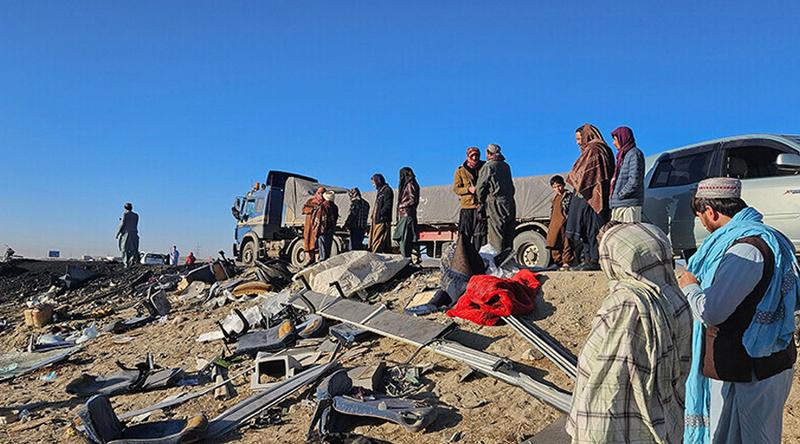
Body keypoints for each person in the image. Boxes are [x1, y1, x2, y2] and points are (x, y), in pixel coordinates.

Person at [678, 178, 799, 444]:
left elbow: (712, 312)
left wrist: (690, 287)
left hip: (749, 370)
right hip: (763, 363)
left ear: (710, 211)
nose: (703, 224)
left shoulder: (746, 249)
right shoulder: (768, 237)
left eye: (701, 217)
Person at [567, 222, 692, 444]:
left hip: (620, 416)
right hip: (668, 413)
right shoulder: (678, 298)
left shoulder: (624, 303)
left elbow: (594, 364)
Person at [565, 124, 615, 271]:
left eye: (580, 138)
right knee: (588, 229)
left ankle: (594, 260)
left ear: (588, 136)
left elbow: (583, 173)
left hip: (593, 197)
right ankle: (589, 259)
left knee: (593, 229)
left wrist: (575, 179)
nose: (578, 142)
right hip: (595, 196)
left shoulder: (594, 149)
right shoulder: (601, 149)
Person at [476, 144, 516, 253]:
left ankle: (497, 262)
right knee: (508, 233)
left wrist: (480, 201)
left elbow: (480, 187)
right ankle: (507, 261)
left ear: (488, 153)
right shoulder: (506, 166)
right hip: (510, 202)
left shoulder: (489, 166)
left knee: (496, 234)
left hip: (496, 202)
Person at [609, 126, 645, 222]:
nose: (614, 143)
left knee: (630, 234)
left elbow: (634, 181)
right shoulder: (622, 156)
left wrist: (620, 195)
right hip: (620, 204)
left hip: (628, 205)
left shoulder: (634, 154)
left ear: (622, 138)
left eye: (615, 140)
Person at [453, 147, 486, 250]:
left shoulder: (484, 167)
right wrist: (468, 189)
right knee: (465, 236)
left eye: (476, 155)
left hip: (480, 207)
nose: (475, 157)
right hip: (467, 207)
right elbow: (456, 189)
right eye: (472, 155)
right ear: (468, 156)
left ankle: (480, 259)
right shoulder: (461, 171)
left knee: (480, 236)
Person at [545, 175, 574, 269]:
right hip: (555, 224)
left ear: (564, 185)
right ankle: (558, 262)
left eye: (559, 186)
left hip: (565, 223)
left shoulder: (568, 196)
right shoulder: (555, 198)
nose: (557, 189)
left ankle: (566, 262)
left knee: (567, 243)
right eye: (554, 187)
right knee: (553, 243)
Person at [394, 167, 420, 258]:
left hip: (406, 215)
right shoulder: (412, 183)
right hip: (407, 215)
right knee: (405, 240)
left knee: (404, 239)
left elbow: (413, 199)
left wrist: (401, 205)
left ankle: (405, 260)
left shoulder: (410, 184)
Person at [369, 174, 393, 253]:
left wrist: (380, 214)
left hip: (382, 220)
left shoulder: (387, 190)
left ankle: (375, 258)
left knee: (378, 240)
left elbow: (388, 205)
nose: (373, 185)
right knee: (379, 241)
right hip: (377, 220)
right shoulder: (380, 191)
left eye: (373, 183)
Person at [302, 186, 326, 263]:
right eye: (319, 193)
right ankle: (308, 259)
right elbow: (304, 209)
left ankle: (316, 260)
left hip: (318, 225)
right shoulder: (311, 201)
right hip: (309, 225)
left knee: (316, 243)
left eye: (322, 193)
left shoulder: (325, 203)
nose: (320, 195)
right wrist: (312, 209)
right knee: (308, 240)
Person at [314, 190, 339, 261]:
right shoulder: (335, 207)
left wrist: (318, 230)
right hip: (331, 230)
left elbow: (321, 219)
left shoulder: (323, 206)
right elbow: (335, 218)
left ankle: (322, 263)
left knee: (322, 249)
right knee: (328, 249)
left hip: (323, 230)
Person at [116, 202, 139, 268]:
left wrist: (118, 233)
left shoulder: (125, 214)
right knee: (133, 249)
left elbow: (123, 224)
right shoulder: (136, 215)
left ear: (125, 208)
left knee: (124, 249)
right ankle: (131, 262)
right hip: (134, 233)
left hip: (126, 233)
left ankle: (126, 264)